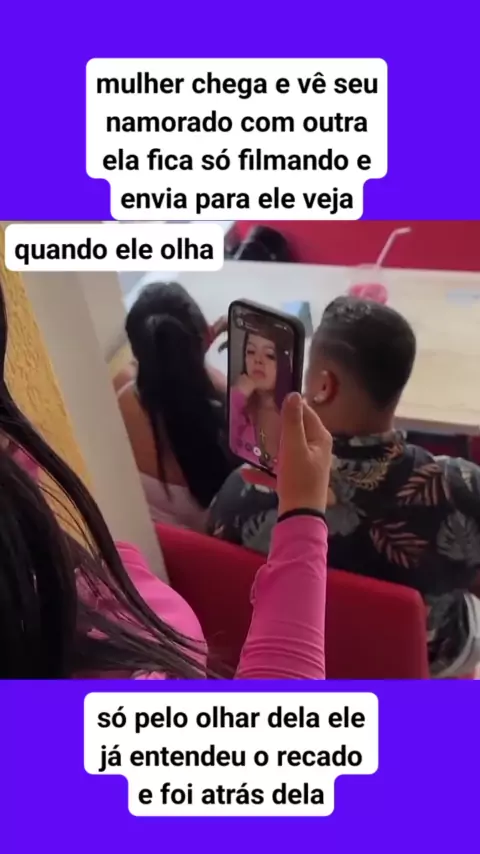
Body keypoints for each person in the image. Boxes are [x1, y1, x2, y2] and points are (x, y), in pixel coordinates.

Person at [208, 296, 480, 678]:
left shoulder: (243, 491)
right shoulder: (460, 490)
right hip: (424, 669)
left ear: (323, 385)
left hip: (302, 666)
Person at [114, 282, 235, 530]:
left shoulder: (121, 401)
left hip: (161, 543)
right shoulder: (226, 412)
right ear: (206, 338)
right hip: (213, 540)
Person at [230, 320, 292, 471]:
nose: (257, 360)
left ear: (285, 363)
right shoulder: (237, 404)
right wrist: (237, 397)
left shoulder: (296, 414)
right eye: (251, 351)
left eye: (269, 355)